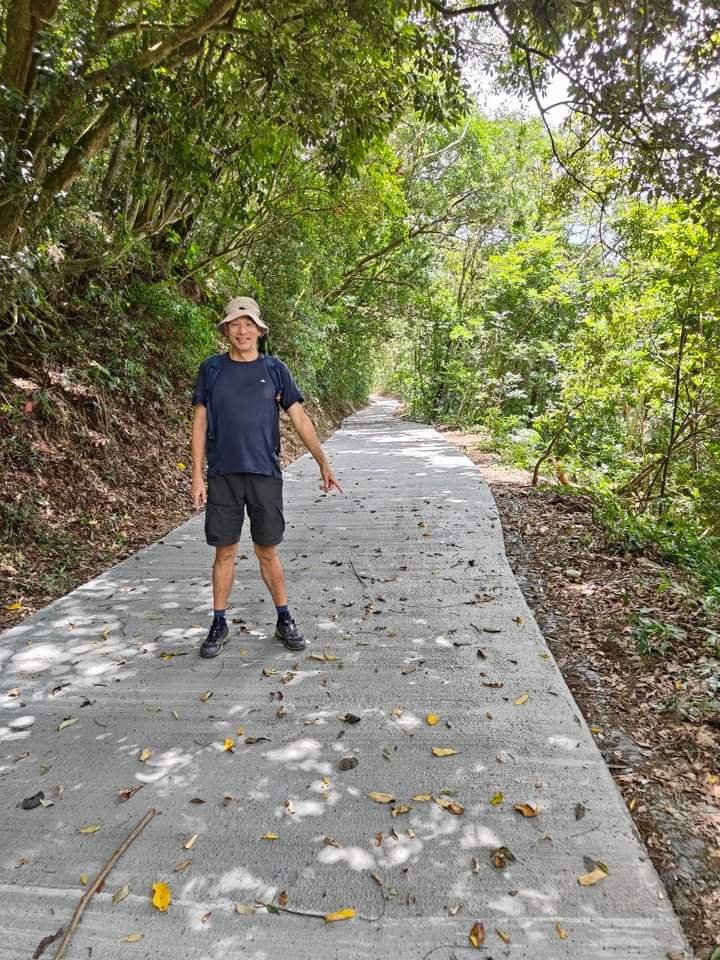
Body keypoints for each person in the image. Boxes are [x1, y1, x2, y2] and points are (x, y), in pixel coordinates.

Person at [191, 296, 342, 658]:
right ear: (226, 329)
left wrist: (322, 460)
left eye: (248, 324)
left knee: (267, 550)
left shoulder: (275, 369)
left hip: (265, 474)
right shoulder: (211, 370)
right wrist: (197, 475)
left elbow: (300, 418)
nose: (242, 330)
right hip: (223, 474)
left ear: (259, 330)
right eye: (234, 324)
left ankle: (284, 618)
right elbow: (200, 422)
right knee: (224, 551)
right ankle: (219, 622)